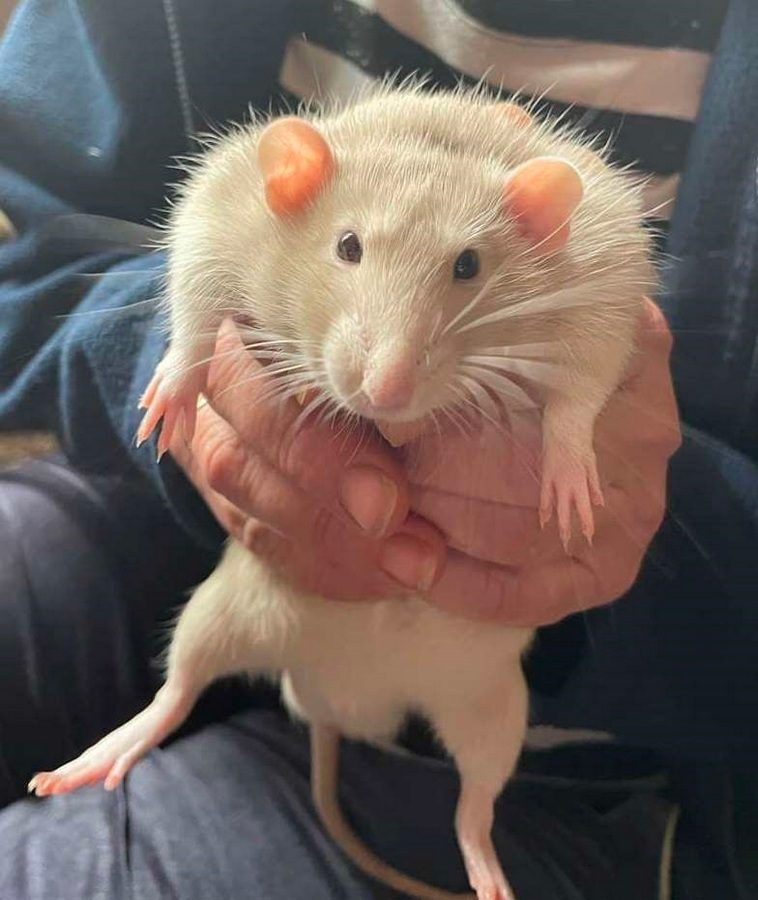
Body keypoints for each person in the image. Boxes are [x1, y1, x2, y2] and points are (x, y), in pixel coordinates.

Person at [0, 1, 755, 898]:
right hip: (157, 519)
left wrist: (621, 503)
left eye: (468, 266)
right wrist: (175, 361)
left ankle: (473, 822)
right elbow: (52, 261)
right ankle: (170, 708)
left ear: (538, 224)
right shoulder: (275, 184)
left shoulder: (576, 244)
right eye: (350, 248)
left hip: (608, 752)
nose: (387, 380)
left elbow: (605, 293)